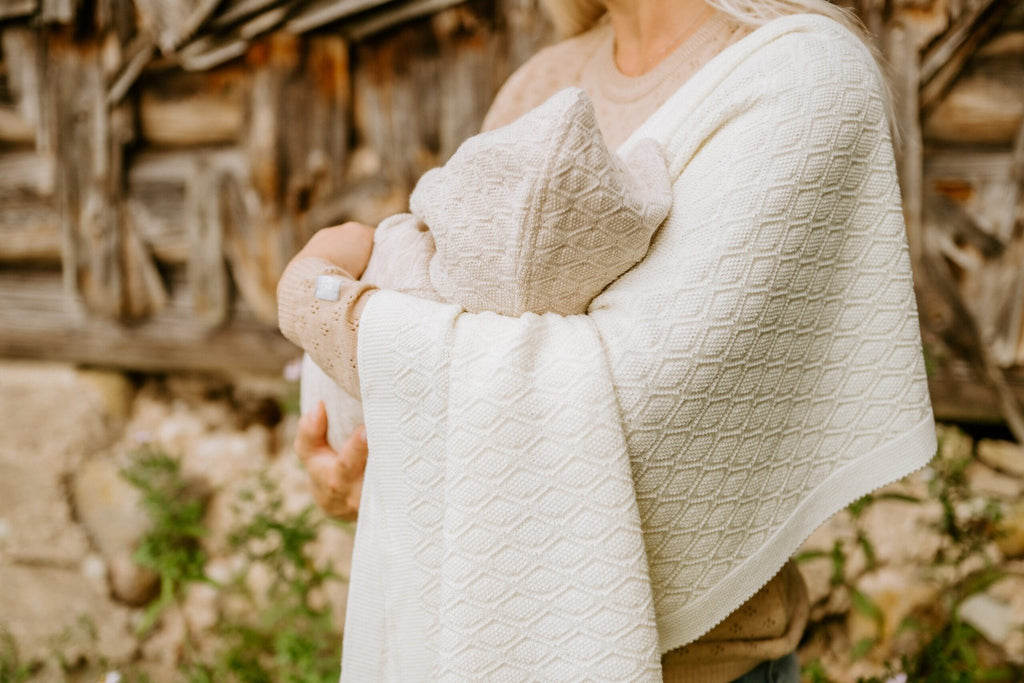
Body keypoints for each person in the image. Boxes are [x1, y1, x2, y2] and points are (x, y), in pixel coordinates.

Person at [277, 0, 937, 680]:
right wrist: (383, 460)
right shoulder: (542, 83)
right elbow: (457, 329)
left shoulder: (801, 77)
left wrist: (324, 302)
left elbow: (635, 401)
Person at [296, 87, 672, 455]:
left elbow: (323, 290)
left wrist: (311, 283)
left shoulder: (409, 267)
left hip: (340, 430)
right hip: (378, 448)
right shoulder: (547, 352)